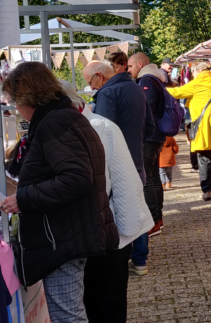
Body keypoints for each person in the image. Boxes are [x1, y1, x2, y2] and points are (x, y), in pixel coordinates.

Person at [0, 62, 118, 323]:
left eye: (15, 101)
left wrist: (24, 199)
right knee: (70, 313)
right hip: (69, 232)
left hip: (64, 237)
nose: (16, 108)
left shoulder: (55, 122)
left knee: (68, 317)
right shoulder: (64, 117)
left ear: (28, 97)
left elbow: (77, 178)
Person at [58, 81, 152, 323]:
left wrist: (125, 234)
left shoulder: (100, 128)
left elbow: (122, 184)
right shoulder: (91, 126)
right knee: (98, 301)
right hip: (101, 232)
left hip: (108, 233)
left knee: (106, 302)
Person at [83, 60, 154, 276]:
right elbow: (150, 126)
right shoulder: (136, 87)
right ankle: (140, 258)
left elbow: (100, 135)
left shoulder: (107, 94)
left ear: (99, 76)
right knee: (136, 205)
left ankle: (122, 258)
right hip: (137, 157)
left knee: (121, 208)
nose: (91, 88)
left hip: (117, 162)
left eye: (90, 83)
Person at [168, 62, 211, 201]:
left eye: (193, 71)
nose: (192, 74)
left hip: (202, 126)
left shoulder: (197, 84)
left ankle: (206, 191)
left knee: (204, 158)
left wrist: (158, 87)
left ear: (199, 71)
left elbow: (176, 93)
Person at [128, 52, 167, 236]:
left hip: (149, 136)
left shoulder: (146, 80)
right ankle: (158, 219)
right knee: (154, 177)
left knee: (148, 179)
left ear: (140, 64)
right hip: (157, 135)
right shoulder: (156, 78)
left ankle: (154, 221)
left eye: (130, 66)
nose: (129, 70)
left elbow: (146, 106)